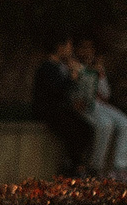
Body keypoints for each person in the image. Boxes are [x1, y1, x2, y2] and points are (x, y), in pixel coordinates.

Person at [32, 38, 95, 175]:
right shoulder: (47, 67)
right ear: (59, 47)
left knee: (86, 128)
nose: (70, 51)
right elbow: (56, 91)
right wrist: (71, 78)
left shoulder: (60, 66)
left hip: (60, 109)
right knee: (74, 129)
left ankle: (79, 164)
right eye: (68, 47)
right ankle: (74, 166)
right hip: (48, 110)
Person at [74, 40, 127, 176]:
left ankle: (119, 167)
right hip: (84, 105)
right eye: (84, 48)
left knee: (124, 122)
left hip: (100, 105)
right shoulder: (75, 66)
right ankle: (95, 167)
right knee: (105, 125)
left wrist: (100, 74)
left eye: (90, 48)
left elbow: (105, 94)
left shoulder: (97, 67)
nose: (87, 52)